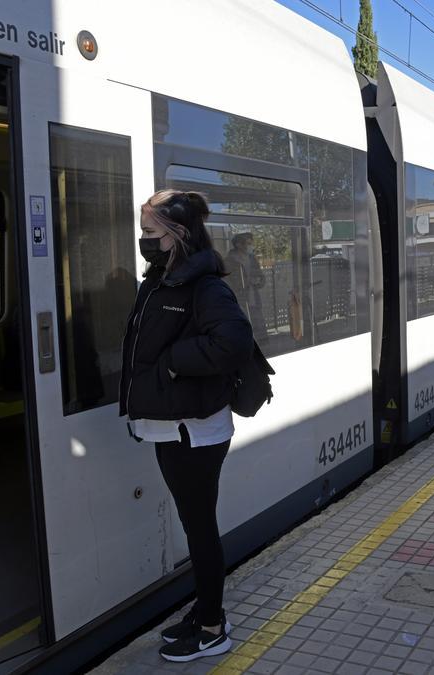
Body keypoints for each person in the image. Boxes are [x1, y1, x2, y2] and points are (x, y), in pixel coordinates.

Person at [119, 190, 253, 663]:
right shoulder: (161, 280)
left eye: (151, 233)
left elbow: (233, 341)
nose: (144, 241)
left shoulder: (204, 286)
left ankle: (214, 627)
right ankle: (204, 610)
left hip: (194, 431)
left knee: (199, 527)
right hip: (170, 427)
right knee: (193, 522)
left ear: (177, 234)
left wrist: (175, 363)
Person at [223, 232, 267, 343]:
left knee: (259, 324)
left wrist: (259, 281)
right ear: (238, 244)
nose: (251, 246)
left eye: (251, 243)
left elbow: (261, 277)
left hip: (254, 299)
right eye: (248, 243)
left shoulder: (252, 259)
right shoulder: (229, 262)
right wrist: (245, 283)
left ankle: (262, 348)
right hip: (240, 301)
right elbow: (227, 283)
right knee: (244, 327)